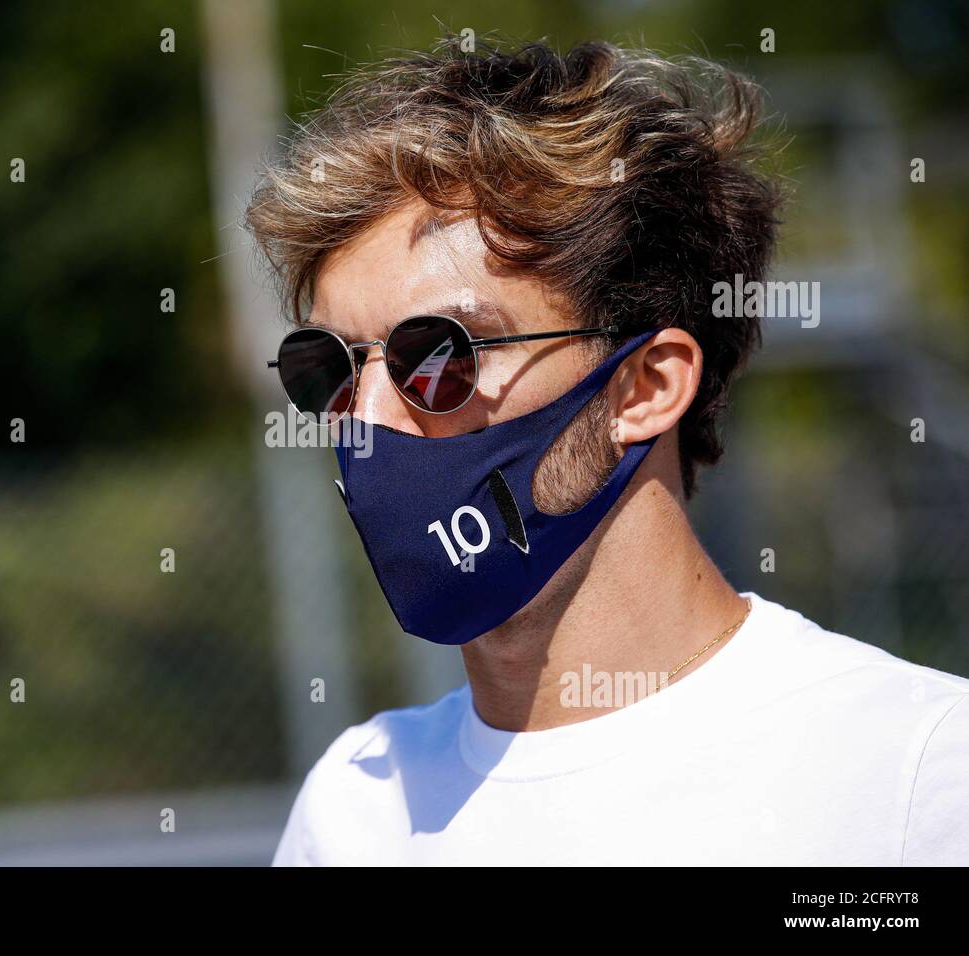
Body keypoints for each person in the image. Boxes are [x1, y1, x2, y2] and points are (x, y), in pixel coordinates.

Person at [244, 37, 969, 865]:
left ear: (646, 387)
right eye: (325, 371)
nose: (368, 417)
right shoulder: (354, 808)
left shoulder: (915, 774)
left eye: (441, 354)